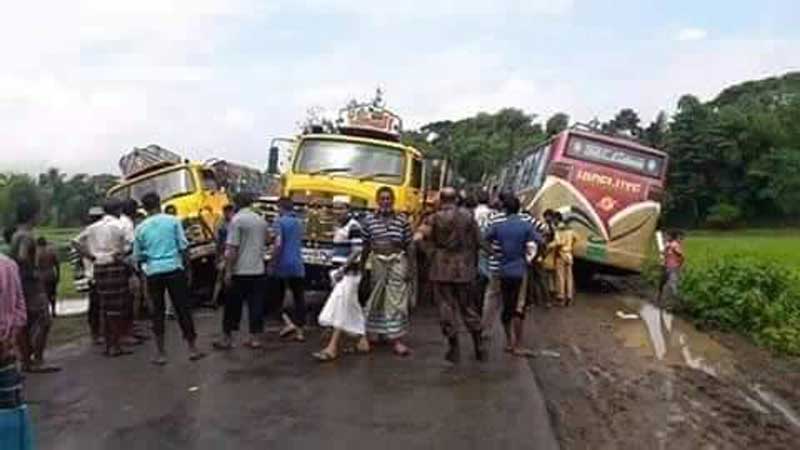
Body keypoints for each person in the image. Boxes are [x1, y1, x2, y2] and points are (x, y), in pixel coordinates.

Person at [134, 193, 205, 365]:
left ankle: (161, 353)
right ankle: (192, 349)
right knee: (182, 309)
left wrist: (151, 259)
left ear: (144, 208)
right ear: (160, 203)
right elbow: (183, 247)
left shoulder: (140, 228)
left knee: (157, 312)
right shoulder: (173, 221)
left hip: (153, 271)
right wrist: (188, 270)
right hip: (174, 268)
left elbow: (138, 256)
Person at [415, 187, 484, 363]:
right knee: (468, 307)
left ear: (441, 199)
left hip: (441, 268)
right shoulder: (468, 216)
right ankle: (478, 344)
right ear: (456, 199)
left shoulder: (433, 218)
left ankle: (454, 348)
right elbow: (479, 241)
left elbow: (418, 238)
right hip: (464, 268)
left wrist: (430, 253)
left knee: (446, 308)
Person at [73, 199, 134, 357]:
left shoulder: (92, 228)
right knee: (118, 305)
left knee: (105, 306)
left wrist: (91, 256)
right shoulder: (120, 226)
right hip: (114, 265)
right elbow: (131, 245)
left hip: (98, 267)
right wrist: (120, 254)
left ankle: (108, 343)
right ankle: (115, 344)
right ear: (118, 210)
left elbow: (75, 242)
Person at [485, 195, 543, 358]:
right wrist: (534, 256)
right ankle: (517, 345)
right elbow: (541, 239)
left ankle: (509, 341)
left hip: (503, 270)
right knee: (518, 307)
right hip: (520, 271)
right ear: (518, 208)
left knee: (506, 306)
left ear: (504, 209)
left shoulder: (499, 226)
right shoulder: (525, 226)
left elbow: (484, 239)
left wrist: (494, 254)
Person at [361, 187, 415, 357]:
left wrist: (410, 268)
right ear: (378, 200)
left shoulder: (402, 220)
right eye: (382, 199)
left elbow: (410, 245)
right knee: (377, 297)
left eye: (388, 199)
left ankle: (396, 339)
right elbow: (365, 245)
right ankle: (374, 333)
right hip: (377, 261)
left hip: (397, 261)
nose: (385, 202)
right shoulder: (369, 220)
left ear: (393, 200)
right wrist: (362, 268)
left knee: (396, 300)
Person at [313, 198, 369, 361]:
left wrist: (343, 269)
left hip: (348, 274)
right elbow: (339, 249)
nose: (337, 211)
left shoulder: (354, 226)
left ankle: (332, 347)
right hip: (338, 271)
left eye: (341, 208)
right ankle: (362, 338)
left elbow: (357, 250)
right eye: (335, 208)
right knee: (352, 306)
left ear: (348, 209)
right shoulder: (339, 227)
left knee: (340, 306)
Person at [10, 198, 60, 373]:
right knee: (44, 320)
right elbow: (23, 257)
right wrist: (34, 271)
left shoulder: (16, 234)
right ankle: (37, 359)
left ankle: (26, 360)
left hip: (20, 283)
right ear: (33, 215)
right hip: (31, 284)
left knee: (27, 322)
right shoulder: (26, 236)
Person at [214, 193, 269, 350]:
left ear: (236, 203)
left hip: (240, 271)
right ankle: (255, 338)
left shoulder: (236, 221)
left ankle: (227, 339)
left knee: (232, 306)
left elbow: (232, 248)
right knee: (256, 305)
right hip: (258, 270)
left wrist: (228, 271)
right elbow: (268, 239)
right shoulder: (260, 220)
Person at [0, 252, 36, 450]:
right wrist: (9, 338)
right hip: (5, 352)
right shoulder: (7, 264)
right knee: (10, 410)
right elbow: (20, 311)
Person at [271, 197, 307, 342]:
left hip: (282, 265)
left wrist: (272, 262)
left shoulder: (279, 222)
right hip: (298, 264)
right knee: (299, 298)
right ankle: (300, 332)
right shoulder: (299, 222)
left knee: (276, 298)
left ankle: (288, 322)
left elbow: (278, 244)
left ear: (280, 208)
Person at [211, 204, 236, 307]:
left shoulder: (231, 222)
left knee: (224, 277)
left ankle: (219, 299)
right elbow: (217, 240)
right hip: (225, 252)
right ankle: (217, 299)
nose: (228, 214)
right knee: (223, 277)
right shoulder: (223, 223)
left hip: (227, 252)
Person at [553, 212, 578, 307]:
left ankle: (561, 297)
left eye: (554, 219)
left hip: (561, 254)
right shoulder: (570, 229)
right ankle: (569, 296)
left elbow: (558, 242)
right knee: (569, 277)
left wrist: (550, 246)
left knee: (560, 277)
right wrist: (570, 245)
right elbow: (576, 238)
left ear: (557, 219)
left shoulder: (558, 229)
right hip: (569, 255)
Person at [657, 230, 684, 307]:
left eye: (667, 236)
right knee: (662, 282)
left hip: (673, 268)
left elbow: (681, 255)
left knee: (672, 284)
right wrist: (665, 252)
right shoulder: (668, 244)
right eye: (665, 236)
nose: (665, 237)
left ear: (671, 237)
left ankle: (676, 302)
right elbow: (664, 254)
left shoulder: (674, 245)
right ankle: (660, 299)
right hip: (666, 267)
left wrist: (680, 265)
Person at [35, 237, 60, 317]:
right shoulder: (51, 252)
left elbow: (36, 266)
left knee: (44, 294)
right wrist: (58, 275)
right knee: (52, 294)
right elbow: (57, 264)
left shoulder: (37, 253)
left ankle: (46, 312)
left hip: (42, 276)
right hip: (52, 274)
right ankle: (53, 311)